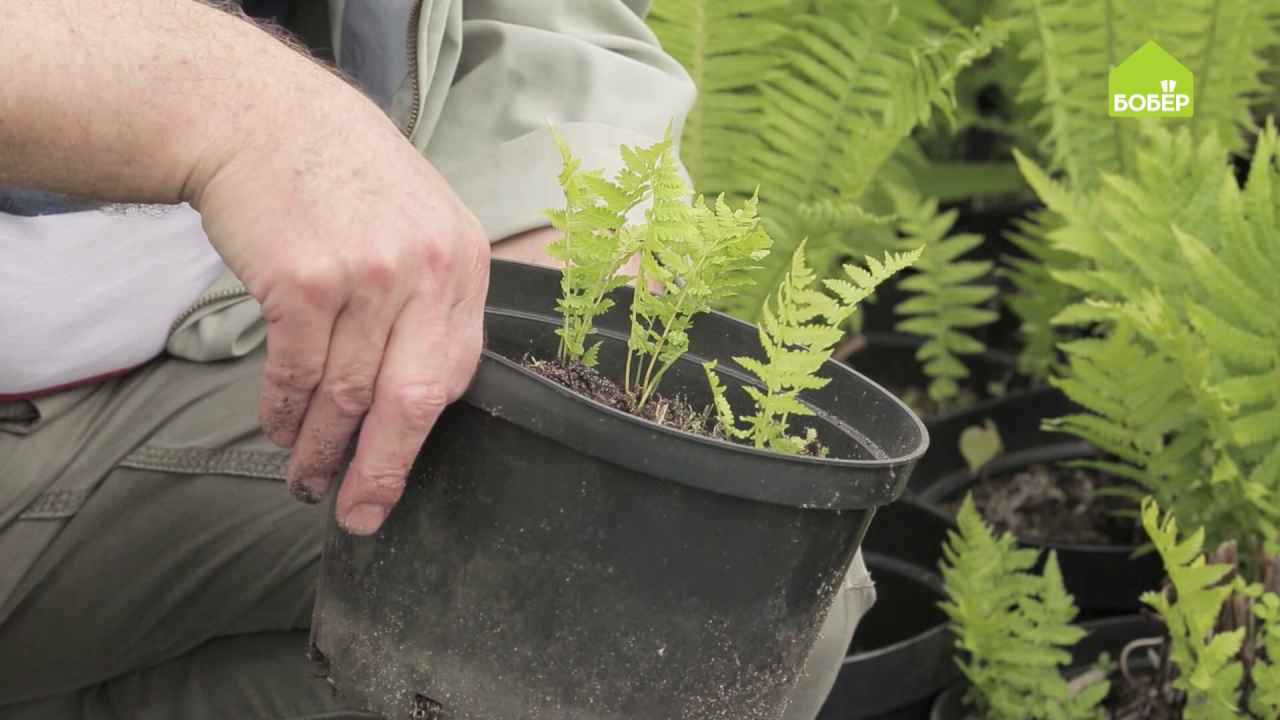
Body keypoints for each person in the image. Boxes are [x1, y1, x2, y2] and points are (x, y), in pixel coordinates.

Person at [0, 2, 875, 718]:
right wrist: (234, 103)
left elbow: (541, 20)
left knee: (718, 598)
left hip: (240, 321)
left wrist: (552, 198)